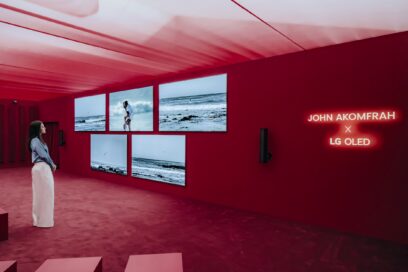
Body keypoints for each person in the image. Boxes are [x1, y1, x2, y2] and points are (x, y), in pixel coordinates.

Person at [28, 121, 56, 228]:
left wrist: (50, 164)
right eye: (42, 126)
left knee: (44, 194)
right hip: (41, 169)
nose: (45, 128)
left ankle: (41, 220)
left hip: (43, 168)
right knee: (44, 194)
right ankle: (42, 221)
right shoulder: (35, 141)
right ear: (38, 129)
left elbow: (44, 154)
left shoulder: (37, 140)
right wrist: (52, 164)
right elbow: (43, 155)